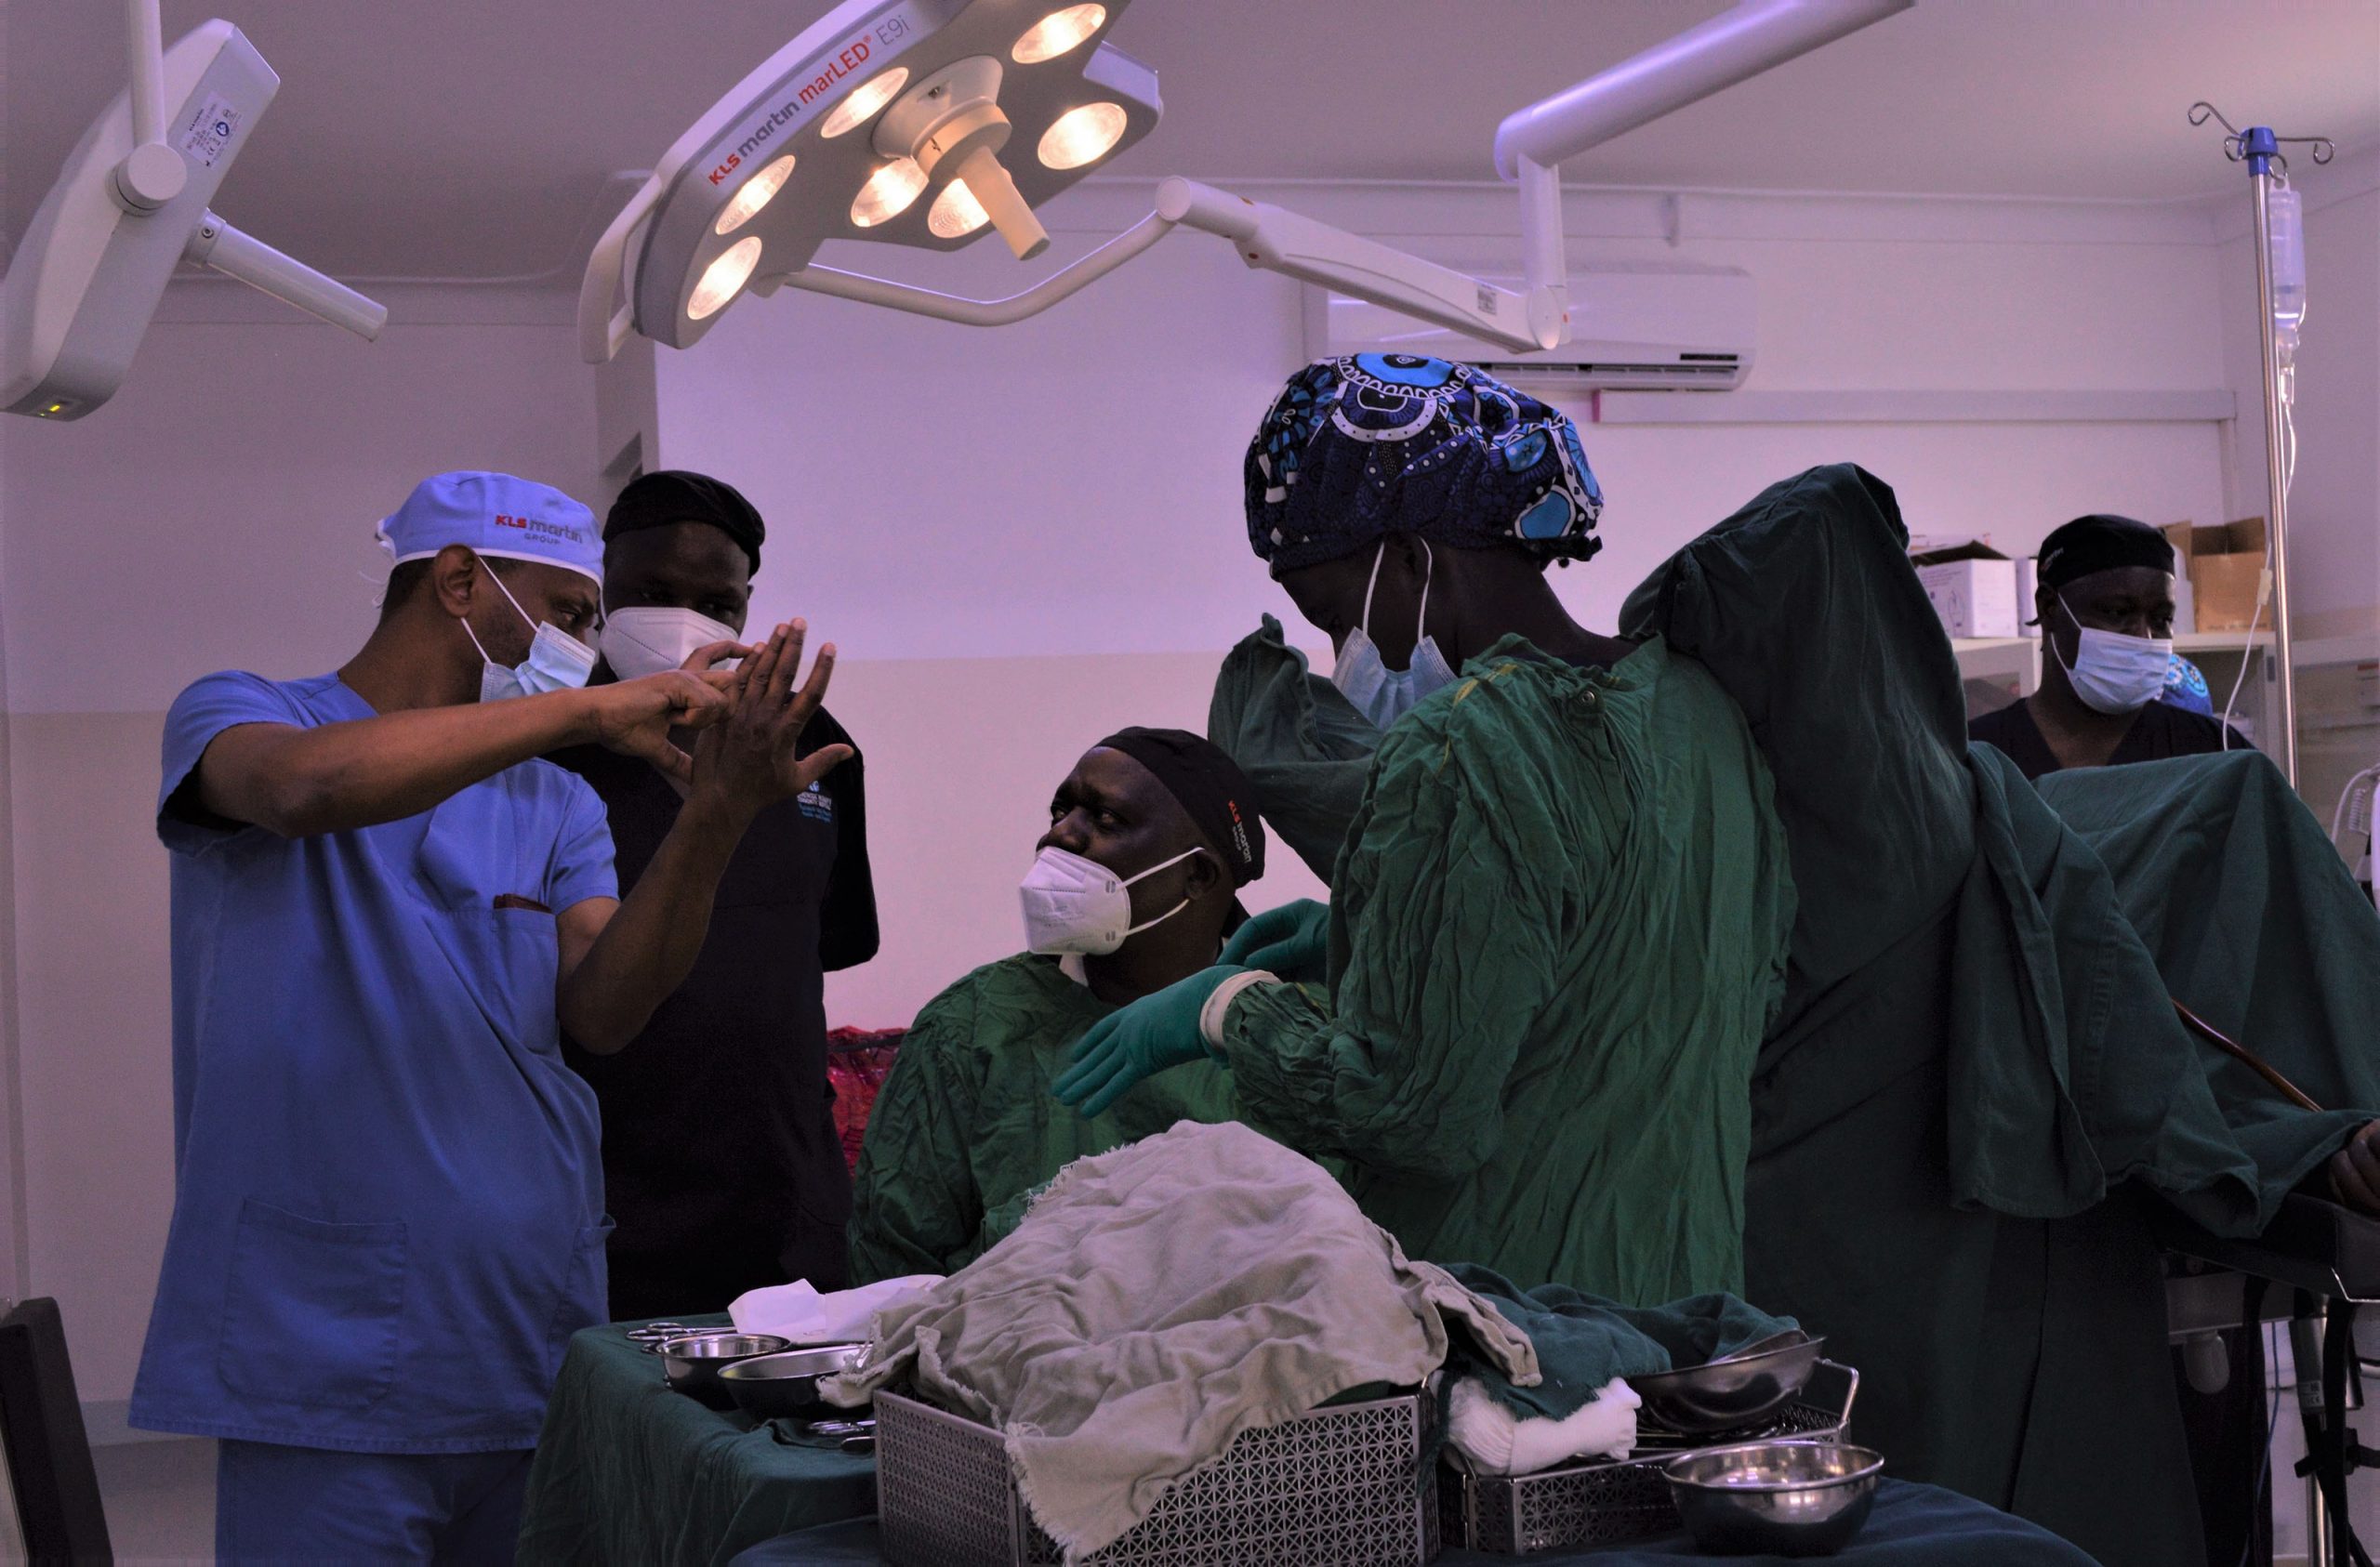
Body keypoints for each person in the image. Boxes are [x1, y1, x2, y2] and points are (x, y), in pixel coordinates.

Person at [1618, 463, 2380, 1567]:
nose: (2140, 634)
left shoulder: (1727, 817)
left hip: (1780, 1298)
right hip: (1986, 1263)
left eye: (2153, 616)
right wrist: (2282, 1150)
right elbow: (2126, 1074)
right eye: (2114, 612)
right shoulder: (1978, 801)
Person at [132, 470, 851, 1561]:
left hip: (520, 1318)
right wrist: (586, 707)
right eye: (568, 613)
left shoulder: (553, 800)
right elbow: (301, 792)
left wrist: (713, 818)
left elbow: (606, 1009)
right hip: (320, 1332)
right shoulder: (245, 709)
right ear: (461, 580)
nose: (582, 644)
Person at [1055, 354, 1794, 1306]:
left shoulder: (1461, 746)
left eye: (1330, 616)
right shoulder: (1696, 710)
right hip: (1680, 1290)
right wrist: (1369, 934)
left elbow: (1411, 1115)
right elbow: (1640, 955)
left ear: (1407, 559)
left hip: (1518, 1325)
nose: (1337, 656)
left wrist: (1227, 1008)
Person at [549, 470, 877, 1320]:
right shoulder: (544, 747)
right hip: (603, 1197)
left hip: (780, 1198)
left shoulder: (811, 747)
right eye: (653, 592)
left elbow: (822, 943)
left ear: (746, 606)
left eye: (717, 601)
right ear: (602, 587)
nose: (687, 620)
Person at [848, 728, 1267, 1283]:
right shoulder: (971, 1025)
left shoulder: (1278, 1031)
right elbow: (892, 1271)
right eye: (1060, 811)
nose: (1058, 838)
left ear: (1197, 875)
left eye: (1106, 819)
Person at [1969, 513, 2251, 778]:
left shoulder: (2210, 748)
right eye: (2116, 613)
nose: (2144, 637)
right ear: (2049, 607)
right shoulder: (1978, 756)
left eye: (2162, 619)